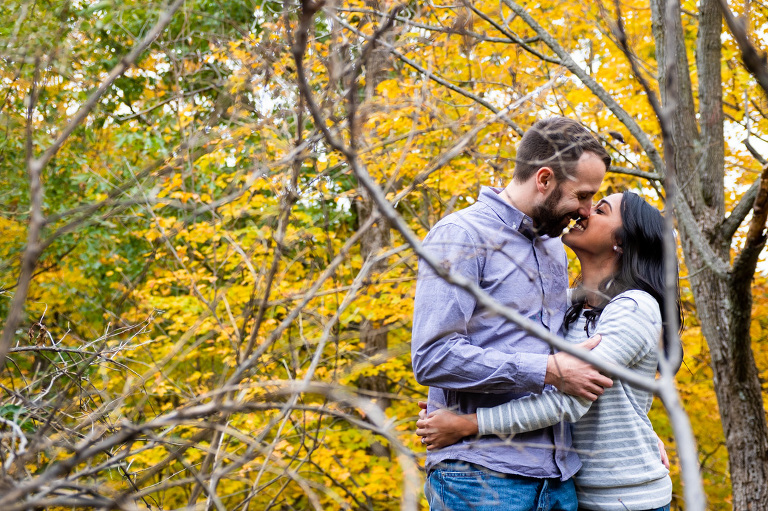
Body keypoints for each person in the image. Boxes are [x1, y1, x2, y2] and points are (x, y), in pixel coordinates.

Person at [416, 191, 680, 511]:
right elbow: (501, 339)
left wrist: (466, 424)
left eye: (600, 210)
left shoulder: (633, 308)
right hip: (575, 490)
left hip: (628, 497)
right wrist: (447, 399)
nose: (585, 212)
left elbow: (568, 402)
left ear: (621, 243)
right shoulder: (570, 306)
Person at [411, 116, 614, 511]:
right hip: (480, 477)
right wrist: (546, 370)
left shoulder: (555, 246)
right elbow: (432, 357)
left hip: (559, 478)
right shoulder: (461, 236)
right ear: (544, 179)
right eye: (583, 195)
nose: (586, 211)